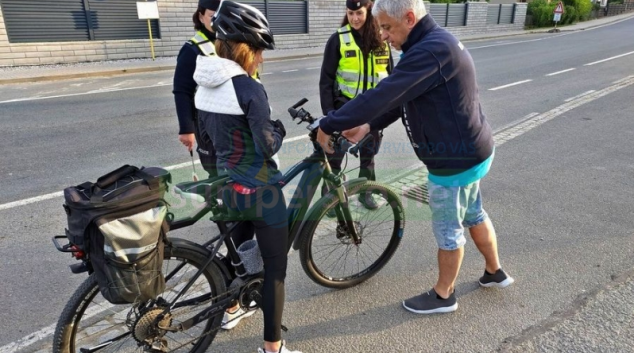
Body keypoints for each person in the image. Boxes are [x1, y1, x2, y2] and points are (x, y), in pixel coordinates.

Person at [316, 0, 514, 315]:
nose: (381, 36)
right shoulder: (432, 45)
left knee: (449, 231)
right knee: (474, 213)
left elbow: (382, 94)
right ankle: (494, 271)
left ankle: (444, 296)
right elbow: (400, 101)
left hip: (452, 163)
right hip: (472, 152)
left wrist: (329, 123)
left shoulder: (429, 52)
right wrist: (369, 125)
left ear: (409, 18)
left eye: (386, 27)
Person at [194, 2, 301, 352]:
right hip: (261, 192)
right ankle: (273, 348)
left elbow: (207, 141)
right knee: (275, 270)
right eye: (258, 50)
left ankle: (230, 308)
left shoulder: (205, 84)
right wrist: (280, 129)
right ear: (244, 48)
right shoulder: (249, 88)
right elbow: (267, 145)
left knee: (240, 254)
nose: (261, 58)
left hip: (227, 188)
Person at [318, 0, 395, 209]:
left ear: (368, 11)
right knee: (334, 158)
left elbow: (391, 76)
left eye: (359, 13)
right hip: (345, 109)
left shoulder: (382, 38)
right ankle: (329, 199)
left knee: (368, 157)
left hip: (373, 109)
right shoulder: (338, 39)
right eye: (350, 13)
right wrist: (329, 114)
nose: (354, 18)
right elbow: (326, 80)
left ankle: (365, 193)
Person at [173, 0, 220, 178]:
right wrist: (186, 129)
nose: (217, 19)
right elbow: (182, 91)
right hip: (207, 124)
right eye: (212, 15)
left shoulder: (233, 42)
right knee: (217, 172)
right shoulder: (191, 50)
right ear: (201, 16)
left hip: (233, 123)